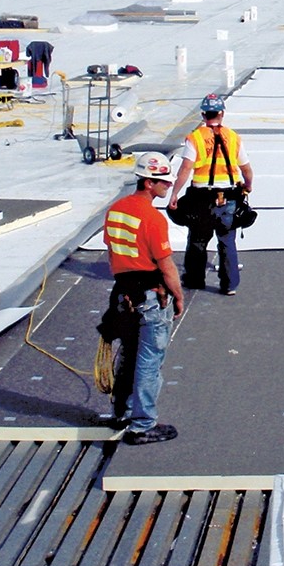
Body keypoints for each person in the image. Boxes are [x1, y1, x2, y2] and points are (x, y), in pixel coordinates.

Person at [100, 152, 186, 445]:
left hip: (124, 294)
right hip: (150, 296)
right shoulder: (152, 218)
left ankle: (121, 413)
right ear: (148, 182)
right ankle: (143, 424)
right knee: (149, 360)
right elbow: (166, 266)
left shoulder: (116, 210)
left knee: (128, 355)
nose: (168, 185)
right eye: (163, 181)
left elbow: (112, 249)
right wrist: (178, 296)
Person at [169, 93, 254, 295]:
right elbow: (247, 169)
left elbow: (185, 169)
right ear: (222, 113)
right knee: (227, 241)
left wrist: (174, 194)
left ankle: (194, 279)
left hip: (202, 199)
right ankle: (229, 284)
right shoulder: (233, 138)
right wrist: (248, 186)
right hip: (230, 197)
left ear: (203, 114)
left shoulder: (195, 138)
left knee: (198, 240)